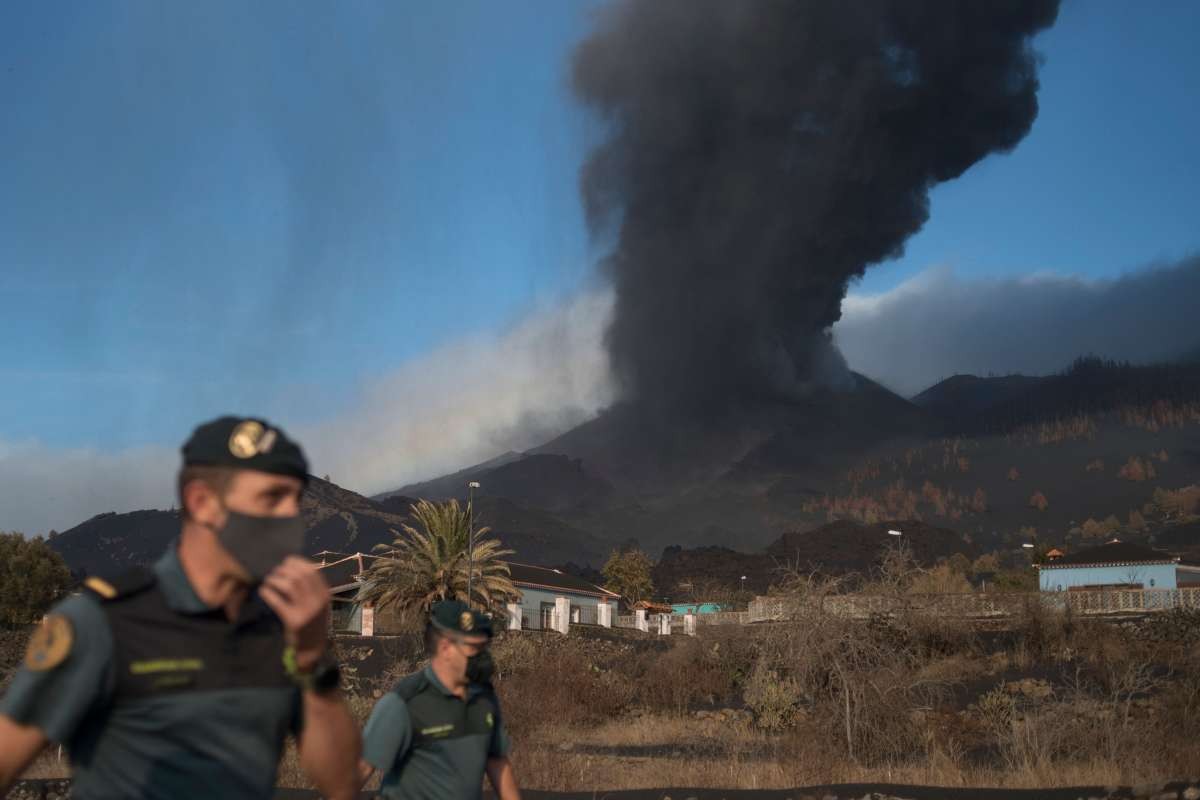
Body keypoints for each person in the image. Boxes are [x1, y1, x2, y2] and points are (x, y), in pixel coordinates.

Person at [0, 416, 360, 799]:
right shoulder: (102, 621)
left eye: (294, 500)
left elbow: (342, 785)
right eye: (271, 498)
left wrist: (311, 658)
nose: (290, 516)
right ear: (201, 502)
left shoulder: (281, 628)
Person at [359, 600, 521, 799]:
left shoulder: (484, 698)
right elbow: (361, 769)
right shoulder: (405, 702)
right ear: (445, 648)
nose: (484, 658)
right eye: (474, 649)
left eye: (484, 648)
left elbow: (497, 764)